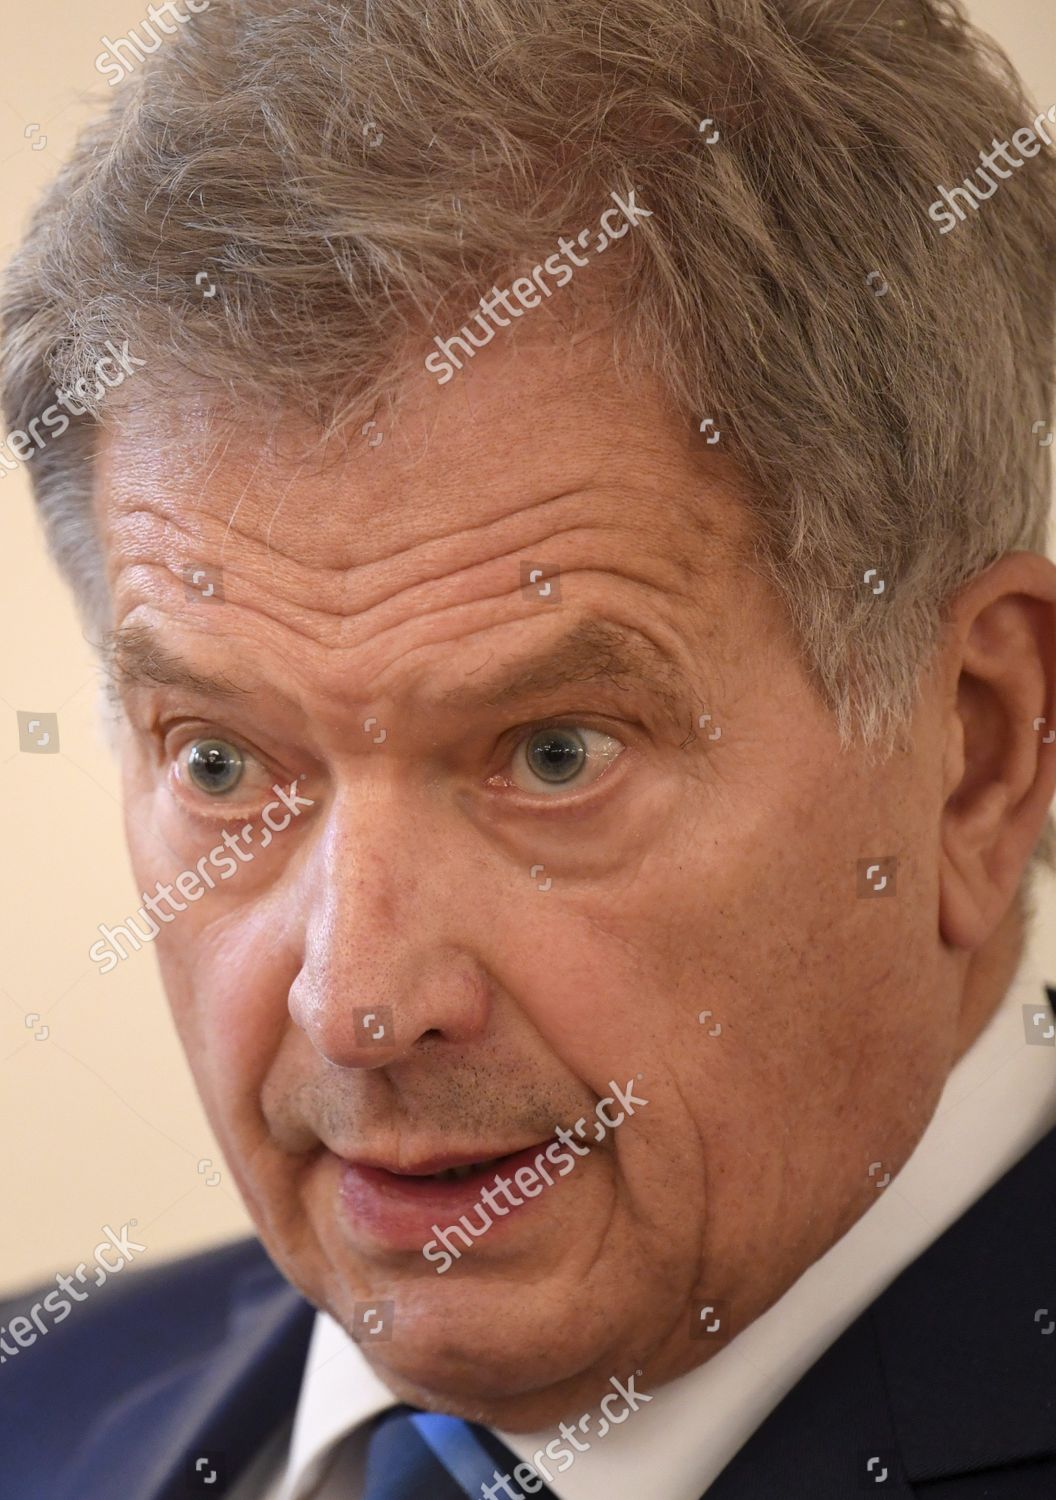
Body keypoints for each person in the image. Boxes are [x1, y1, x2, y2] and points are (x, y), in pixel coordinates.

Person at [2, 1, 1054, 1496]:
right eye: (221, 764)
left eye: (554, 753)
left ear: (978, 753)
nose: (360, 1004)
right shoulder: (28, 1412)